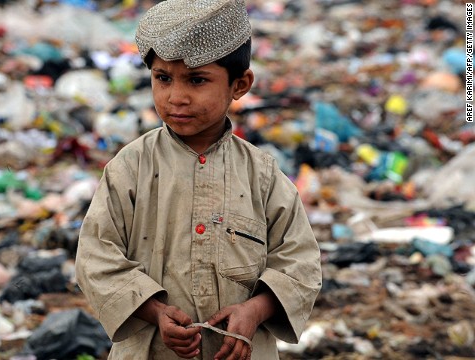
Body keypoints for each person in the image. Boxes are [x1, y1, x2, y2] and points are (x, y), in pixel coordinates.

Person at [75, 1, 322, 359]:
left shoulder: (263, 176)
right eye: (163, 78)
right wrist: (154, 311)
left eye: (197, 80)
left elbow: (300, 263)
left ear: (240, 84)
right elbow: (95, 256)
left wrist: (255, 310)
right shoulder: (130, 168)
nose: (176, 97)